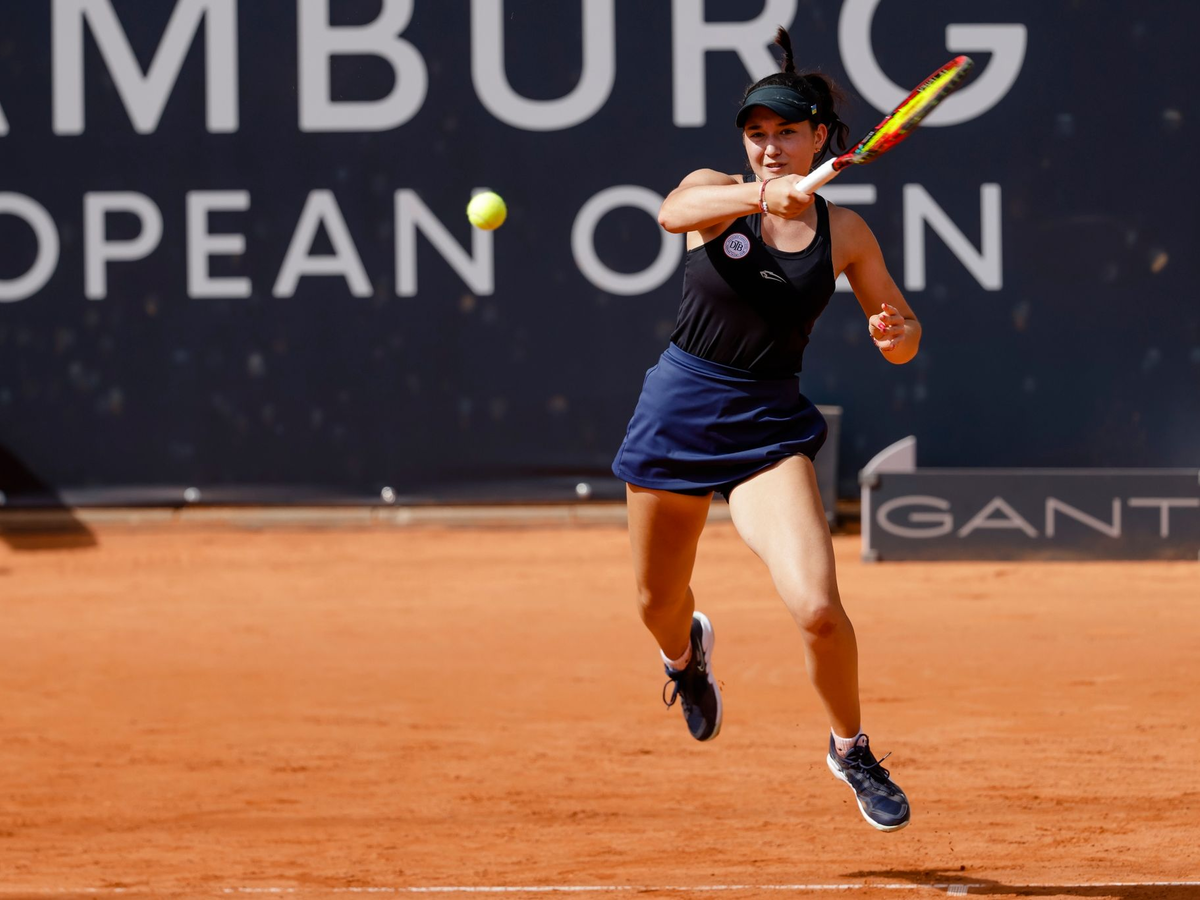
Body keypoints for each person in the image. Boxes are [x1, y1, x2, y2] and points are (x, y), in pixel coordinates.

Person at [611, 26, 920, 833]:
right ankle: (685, 656)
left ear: (820, 138)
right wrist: (758, 198)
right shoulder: (716, 193)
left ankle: (850, 748)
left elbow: (903, 333)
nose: (770, 147)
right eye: (757, 134)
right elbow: (672, 213)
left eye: (786, 132)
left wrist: (896, 333)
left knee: (818, 608)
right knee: (656, 602)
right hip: (678, 413)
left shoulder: (845, 233)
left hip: (767, 428)